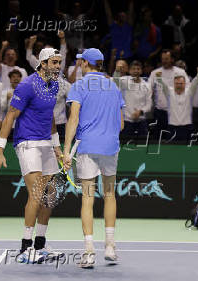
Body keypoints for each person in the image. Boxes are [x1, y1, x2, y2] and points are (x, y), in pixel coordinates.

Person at [0, 48, 64, 263]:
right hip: (27, 143)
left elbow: (50, 117)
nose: (58, 66)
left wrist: (57, 148)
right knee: (37, 193)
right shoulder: (27, 85)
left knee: (52, 194)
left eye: (60, 62)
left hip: (47, 144)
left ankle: (40, 244)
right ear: (42, 63)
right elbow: (11, 115)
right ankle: (25, 248)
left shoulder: (54, 85)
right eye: (54, 62)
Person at [63, 48, 124, 268]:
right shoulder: (113, 86)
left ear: (85, 64)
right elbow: (122, 124)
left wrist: (66, 150)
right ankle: (110, 247)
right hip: (110, 147)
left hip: (87, 148)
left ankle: (89, 252)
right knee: (109, 195)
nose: (79, 64)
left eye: (80, 62)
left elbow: (73, 118)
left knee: (88, 199)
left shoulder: (79, 86)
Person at [148, 49, 189, 135]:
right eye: (163, 59)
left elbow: (187, 89)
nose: (164, 61)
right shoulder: (155, 73)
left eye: (166, 59)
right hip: (160, 112)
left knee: (174, 140)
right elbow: (148, 91)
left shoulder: (180, 72)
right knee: (158, 139)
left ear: (172, 59)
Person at [156, 67, 198, 141]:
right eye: (177, 84)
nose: (179, 86)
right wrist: (159, 78)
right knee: (171, 151)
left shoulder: (189, 92)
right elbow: (162, 84)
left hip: (187, 127)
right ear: (174, 84)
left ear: (185, 84)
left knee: (187, 151)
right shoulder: (169, 92)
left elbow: (195, 82)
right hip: (172, 127)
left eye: (181, 83)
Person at [114, 60, 152, 139]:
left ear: (141, 71)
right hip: (127, 121)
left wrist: (140, 112)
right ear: (130, 71)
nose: (136, 71)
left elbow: (149, 104)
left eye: (138, 69)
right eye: (133, 69)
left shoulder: (147, 85)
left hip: (141, 122)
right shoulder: (124, 81)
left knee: (143, 146)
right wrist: (117, 70)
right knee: (125, 146)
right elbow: (115, 80)